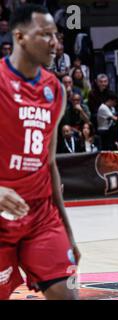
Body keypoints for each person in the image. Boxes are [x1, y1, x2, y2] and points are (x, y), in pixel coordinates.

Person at [0, 4, 79, 300]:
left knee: (67, 294)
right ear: (20, 37)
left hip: (41, 218)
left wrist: (68, 233)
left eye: (56, 35)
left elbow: (50, 163)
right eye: (45, 35)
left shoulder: (55, 90)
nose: (54, 43)